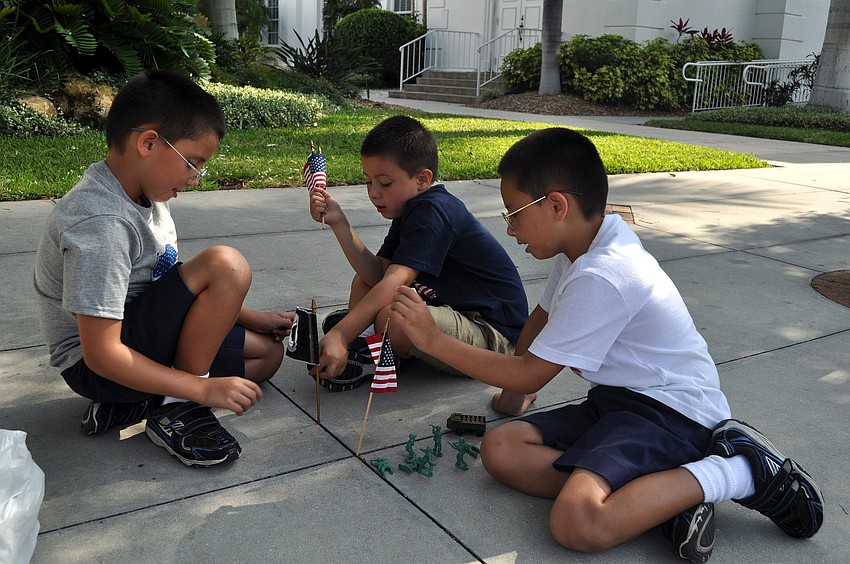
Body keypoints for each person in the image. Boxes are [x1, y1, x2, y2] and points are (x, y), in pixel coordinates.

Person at [389, 128, 824, 561]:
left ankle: (743, 472)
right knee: (501, 449)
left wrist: (432, 339)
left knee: (576, 523)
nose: (511, 229)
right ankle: (654, 503)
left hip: (673, 413)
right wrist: (511, 399)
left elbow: (532, 371)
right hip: (621, 402)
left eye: (514, 214)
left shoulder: (604, 274)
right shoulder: (582, 248)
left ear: (557, 205)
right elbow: (537, 324)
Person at [33, 70, 293, 467]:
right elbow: (101, 354)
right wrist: (198, 389)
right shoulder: (102, 224)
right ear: (149, 143)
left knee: (267, 356)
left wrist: (249, 317)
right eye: (194, 163)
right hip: (95, 365)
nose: (196, 178)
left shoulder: (142, 190)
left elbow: (166, 276)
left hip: (138, 332)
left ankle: (134, 403)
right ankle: (176, 409)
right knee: (227, 264)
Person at [308, 115, 528, 392]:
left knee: (393, 318)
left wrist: (342, 333)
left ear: (423, 179)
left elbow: (394, 281)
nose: (374, 193)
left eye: (385, 183)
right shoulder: (411, 209)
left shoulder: (432, 211)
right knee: (364, 283)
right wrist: (340, 223)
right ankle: (366, 340)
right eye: (368, 182)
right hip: (452, 313)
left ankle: (374, 356)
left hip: (492, 334)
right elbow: (376, 274)